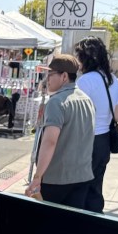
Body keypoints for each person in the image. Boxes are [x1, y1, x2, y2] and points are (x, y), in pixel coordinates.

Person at [25, 54, 95, 209]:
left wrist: (37, 176)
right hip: (82, 176)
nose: (47, 79)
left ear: (64, 76)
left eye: (50, 74)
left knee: (50, 221)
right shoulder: (86, 100)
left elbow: (50, 141)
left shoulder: (57, 102)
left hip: (57, 178)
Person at [74, 36, 118, 213]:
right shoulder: (112, 79)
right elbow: (116, 116)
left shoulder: (84, 81)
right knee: (95, 188)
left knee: (79, 190)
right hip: (104, 142)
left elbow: (76, 116)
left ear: (84, 58)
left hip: (86, 141)